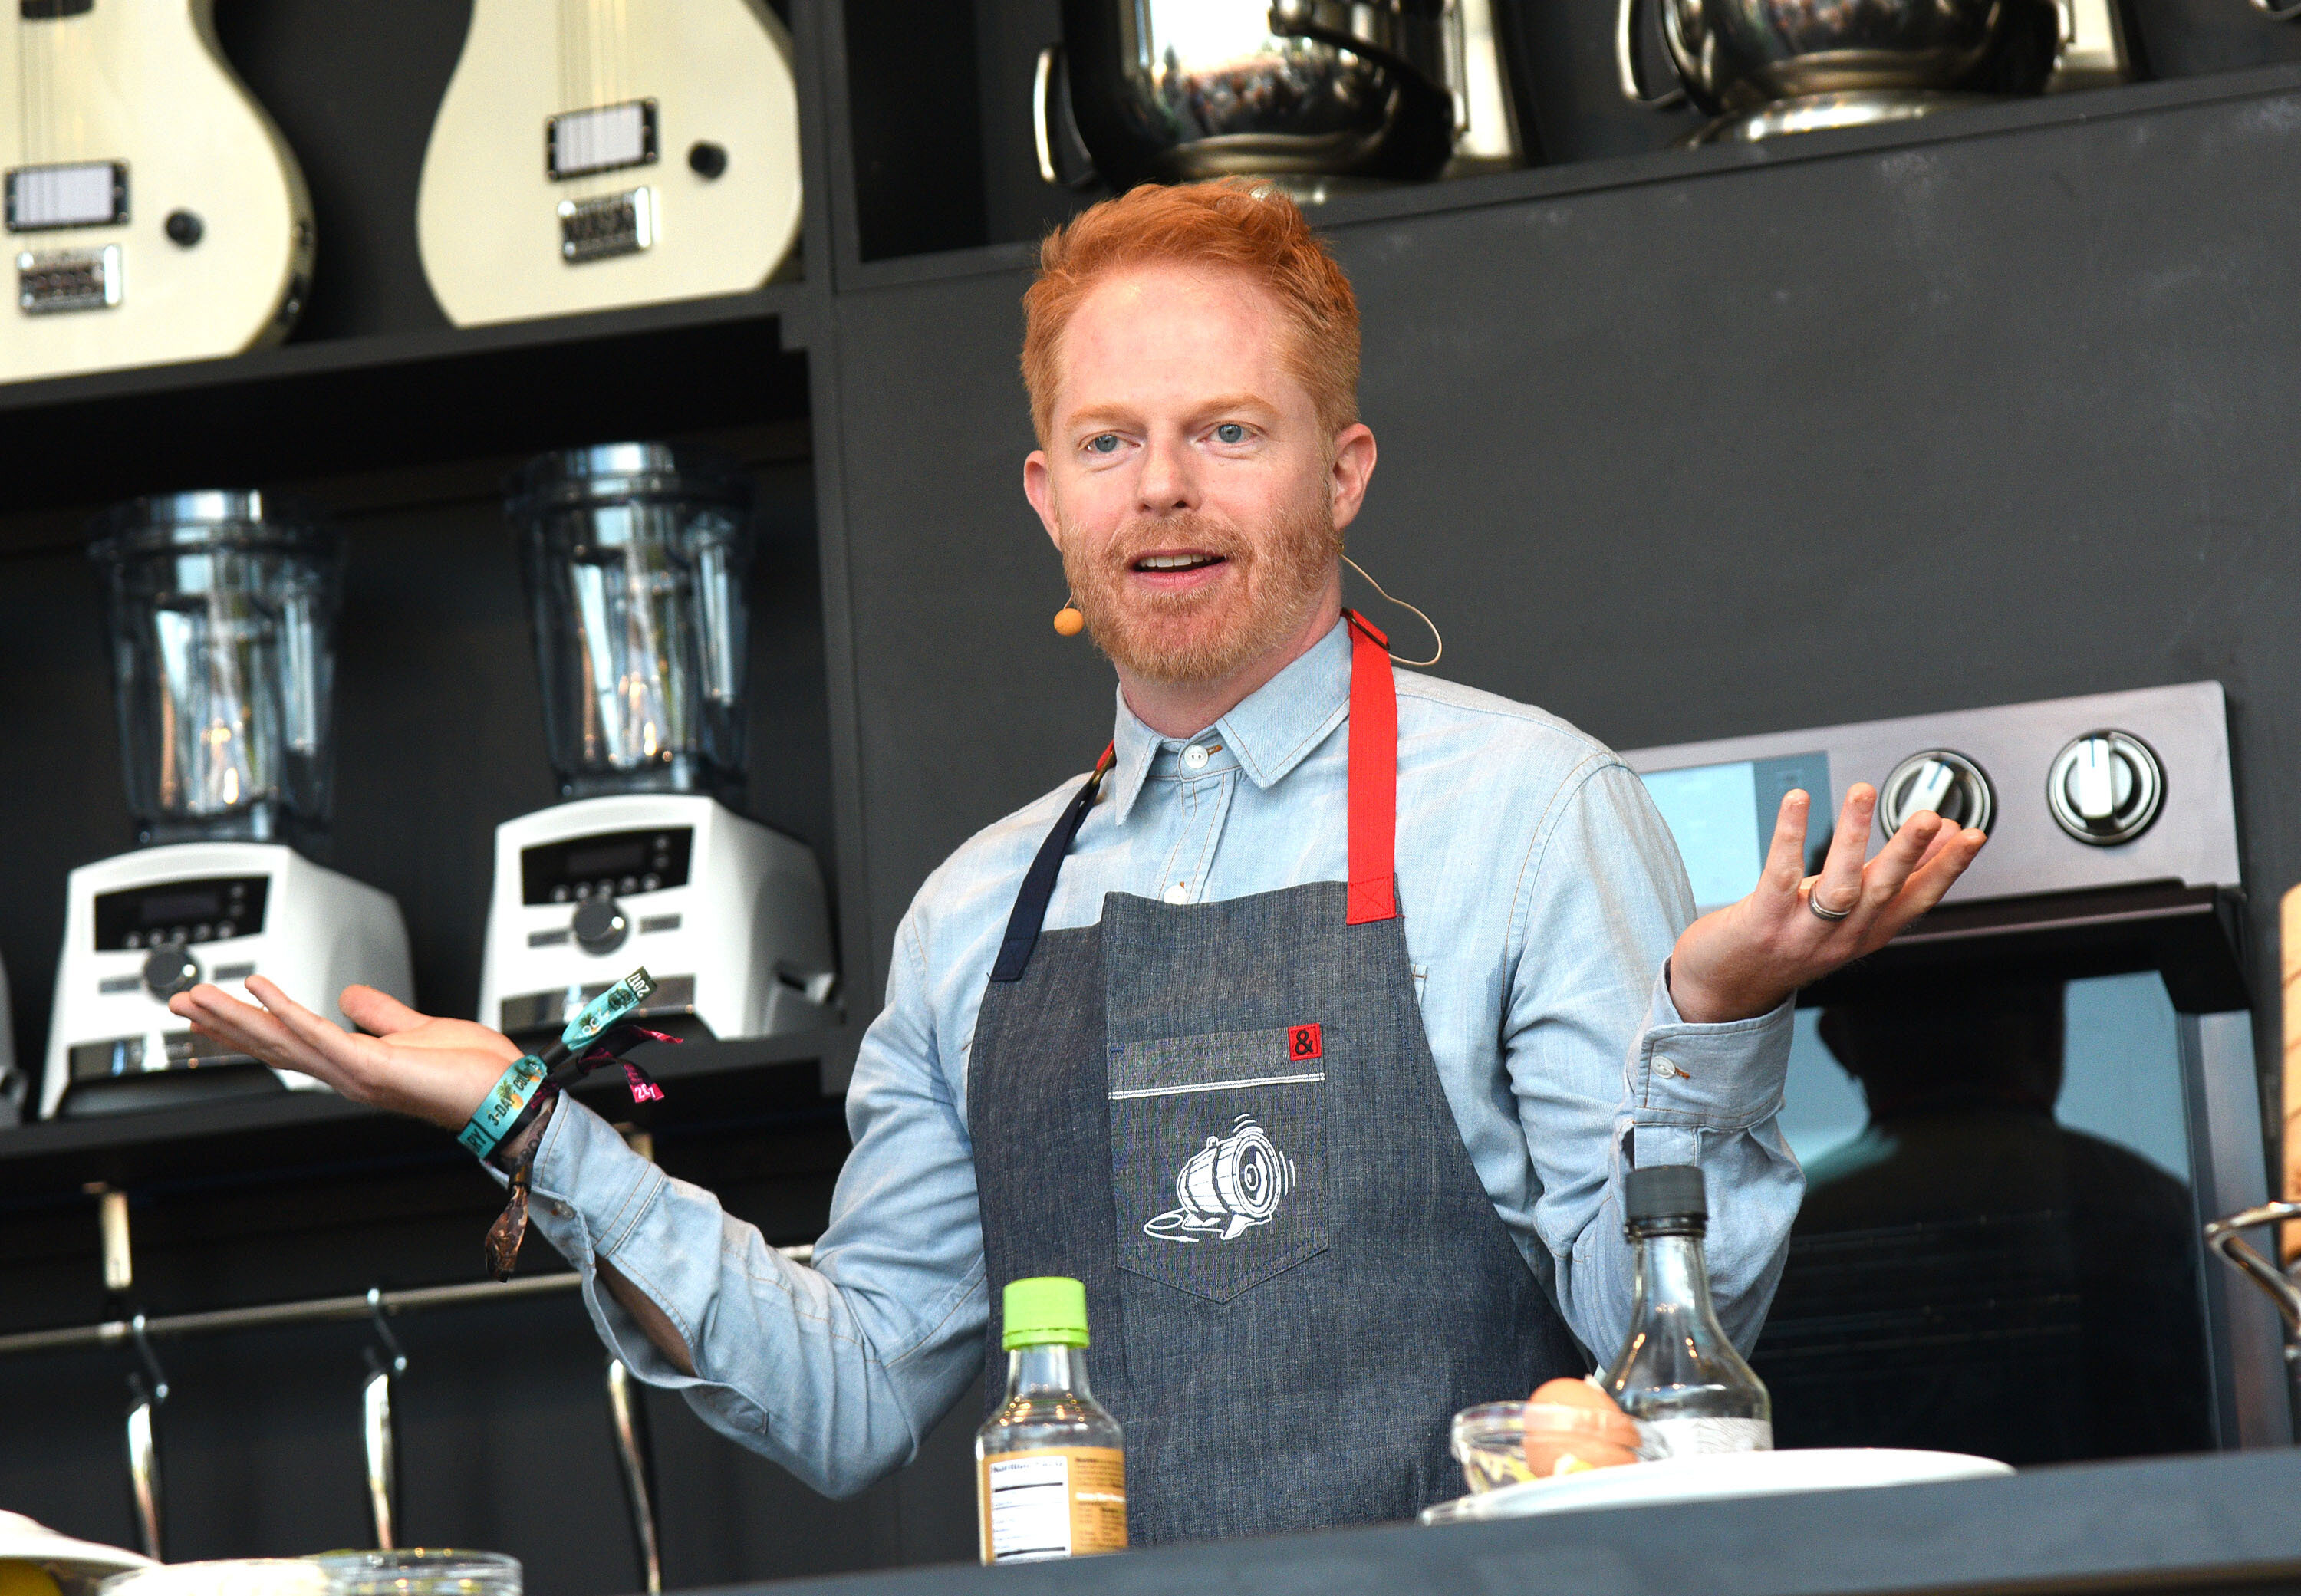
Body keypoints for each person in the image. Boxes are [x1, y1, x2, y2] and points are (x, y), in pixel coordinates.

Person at [171, 179, 1985, 1543]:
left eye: (1229, 432)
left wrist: (1708, 1026)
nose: (1164, 488)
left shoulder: (1527, 812)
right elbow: (849, 1392)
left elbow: (1666, 1358)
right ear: (1049, 496)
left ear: (1342, 470)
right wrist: (535, 1128)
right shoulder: (979, 915)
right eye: (1110, 442)